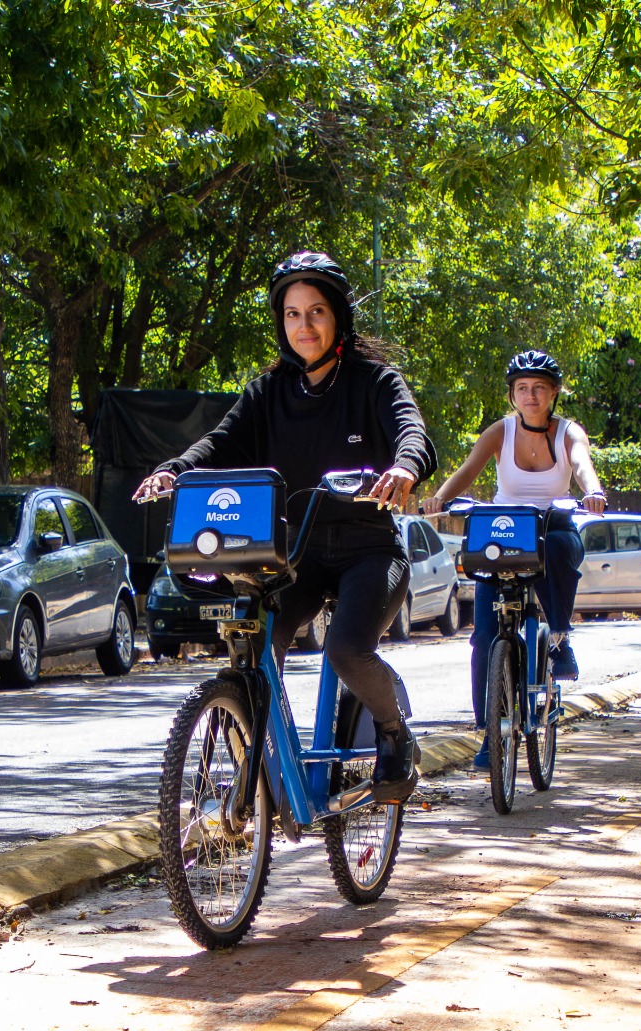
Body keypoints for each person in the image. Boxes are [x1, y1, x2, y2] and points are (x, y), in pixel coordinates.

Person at [134, 251, 437, 802]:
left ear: (338, 316)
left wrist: (405, 465)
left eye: (316, 311)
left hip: (370, 550)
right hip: (298, 554)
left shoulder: (375, 381)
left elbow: (410, 431)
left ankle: (393, 732)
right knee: (259, 641)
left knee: (346, 650)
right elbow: (219, 443)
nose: (305, 326)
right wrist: (173, 470)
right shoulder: (267, 392)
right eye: (293, 314)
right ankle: (261, 763)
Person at [418, 351, 605, 767]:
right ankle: (490, 733)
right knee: (485, 636)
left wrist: (593, 491)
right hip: (506, 530)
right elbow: (468, 470)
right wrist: (439, 498)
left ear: (554, 394)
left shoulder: (568, 432)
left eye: (539, 388)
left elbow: (581, 465)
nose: (530, 395)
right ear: (512, 396)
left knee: (560, 548)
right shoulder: (500, 432)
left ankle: (558, 640)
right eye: (522, 389)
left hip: (553, 524)